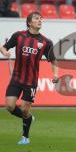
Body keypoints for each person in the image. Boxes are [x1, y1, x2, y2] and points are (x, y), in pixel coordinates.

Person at [0, 12, 58, 145]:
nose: (40, 20)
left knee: (25, 110)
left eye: (40, 19)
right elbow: (4, 47)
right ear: (29, 23)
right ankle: (29, 118)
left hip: (31, 81)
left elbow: (53, 60)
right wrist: (4, 51)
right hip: (16, 78)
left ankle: (25, 137)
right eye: (36, 18)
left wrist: (55, 74)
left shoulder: (46, 42)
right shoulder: (19, 36)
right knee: (9, 106)